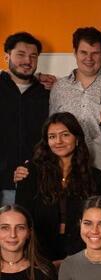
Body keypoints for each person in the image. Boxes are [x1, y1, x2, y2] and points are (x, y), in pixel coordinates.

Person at [15, 112, 101, 261]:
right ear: (47, 142)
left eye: (65, 135)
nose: (58, 141)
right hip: (39, 249)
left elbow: (98, 217)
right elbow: (21, 216)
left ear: (76, 139)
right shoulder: (30, 172)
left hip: (81, 249)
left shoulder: (94, 176)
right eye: (52, 136)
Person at [50, 27, 101, 144]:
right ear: (75, 52)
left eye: (95, 53)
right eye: (83, 52)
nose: (89, 58)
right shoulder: (59, 87)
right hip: (68, 159)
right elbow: (52, 127)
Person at [0, 32, 48, 206]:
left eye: (33, 56)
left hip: (35, 184)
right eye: (20, 54)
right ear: (7, 56)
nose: (27, 61)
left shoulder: (46, 93)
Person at [0, 205, 57, 279]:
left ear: (29, 233)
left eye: (20, 228)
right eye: (5, 228)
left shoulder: (44, 270)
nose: (13, 235)